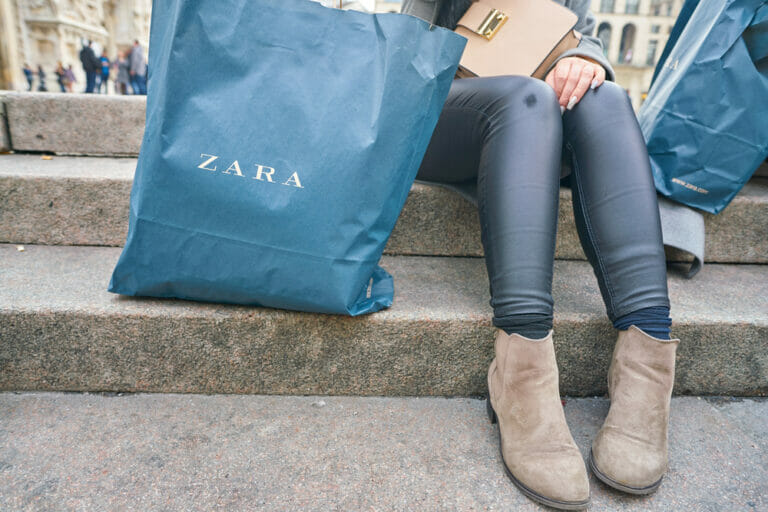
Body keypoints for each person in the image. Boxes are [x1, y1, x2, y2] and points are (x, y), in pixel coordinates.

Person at [401, 0, 679, 509]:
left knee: (606, 96)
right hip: (434, 106)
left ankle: (647, 363)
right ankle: (521, 364)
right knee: (526, 96)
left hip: (540, 126)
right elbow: (407, 39)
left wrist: (585, 61)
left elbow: (582, 33)